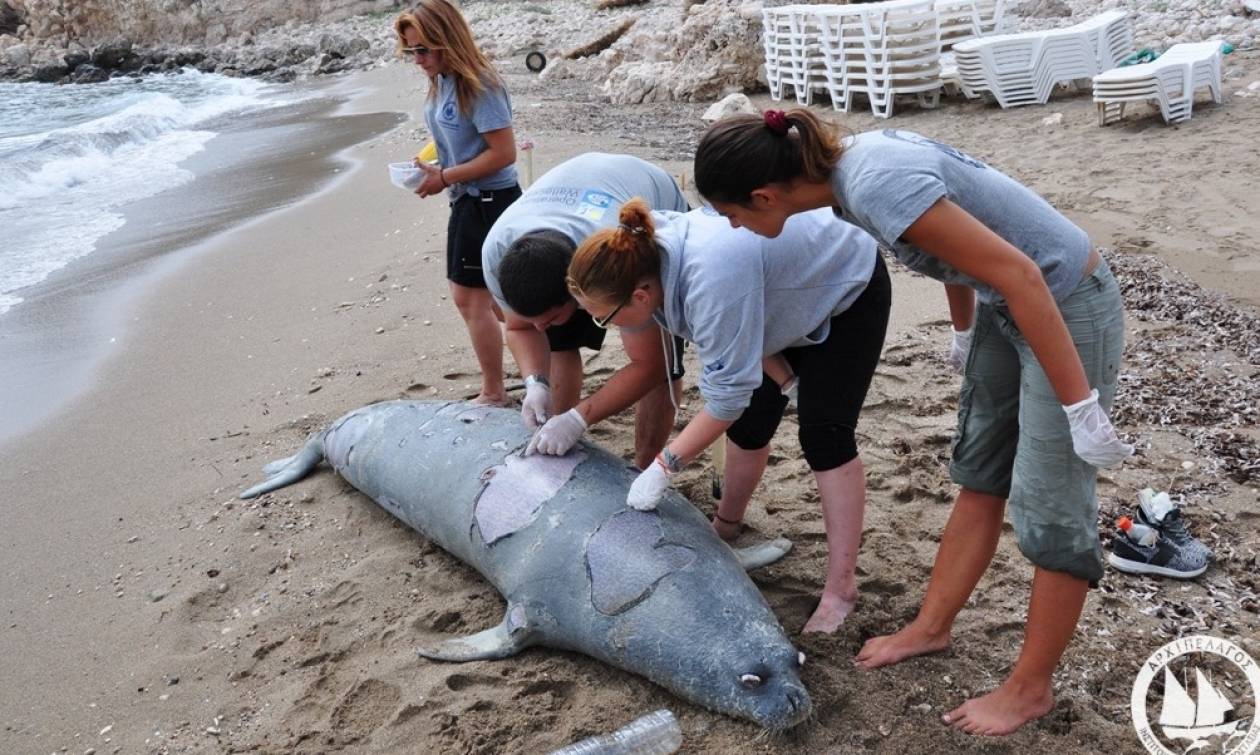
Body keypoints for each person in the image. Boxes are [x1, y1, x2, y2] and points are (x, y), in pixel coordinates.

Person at [693, 109, 1133, 736]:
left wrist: (1078, 407)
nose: (732, 226)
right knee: (979, 470)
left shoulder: (874, 184)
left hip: (1062, 306)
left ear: (764, 195)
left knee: (1053, 505)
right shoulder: (843, 184)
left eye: (732, 213)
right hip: (1007, 307)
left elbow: (1022, 271)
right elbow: (955, 250)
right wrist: (962, 331)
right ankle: (931, 627)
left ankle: (1029, 689)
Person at [566, 201, 890, 634]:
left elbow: (725, 397)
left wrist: (665, 465)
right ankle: (727, 527)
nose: (599, 323)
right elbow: (745, 326)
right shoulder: (639, 253)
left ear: (640, 295)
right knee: (751, 423)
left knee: (824, 435)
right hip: (775, 290)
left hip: (843, 285)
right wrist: (786, 378)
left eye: (602, 317)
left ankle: (840, 590)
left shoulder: (708, 282)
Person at [481, 152, 690, 470]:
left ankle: (642, 465)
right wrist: (535, 383)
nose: (540, 327)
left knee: (662, 369)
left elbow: (651, 365)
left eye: (549, 319)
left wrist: (580, 417)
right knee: (558, 341)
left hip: (642, 203)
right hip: (565, 215)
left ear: (578, 294)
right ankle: (553, 436)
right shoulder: (497, 252)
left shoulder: (617, 261)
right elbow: (521, 327)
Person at [394, 1, 521, 406]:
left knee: (477, 298)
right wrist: (431, 164)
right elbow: (461, 141)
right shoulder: (443, 79)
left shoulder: (478, 83)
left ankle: (495, 390)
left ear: (446, 41)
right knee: (495, 301)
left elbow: (503, 153)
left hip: (489, 200)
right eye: (410, 51)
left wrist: (444, 176)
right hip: (468, 198)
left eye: (422, 50)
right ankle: (537, 372)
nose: (417, 60)